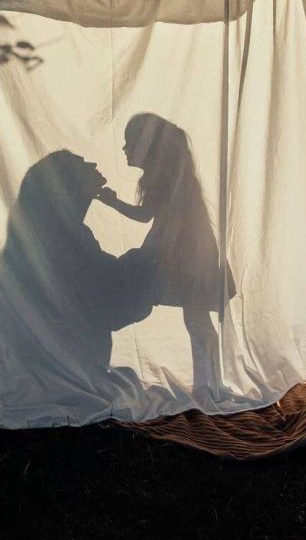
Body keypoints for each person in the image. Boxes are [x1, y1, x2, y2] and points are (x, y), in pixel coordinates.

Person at [96, 113, 236, 406]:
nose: (124, 149)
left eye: (129, 142)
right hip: (184, 252)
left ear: (147, 146)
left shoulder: (165, 178)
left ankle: (209, 385)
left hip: (185, 254)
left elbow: (147, 216)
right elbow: (150, 215)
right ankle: (209, 383)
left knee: (197, 320)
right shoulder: (168, 176)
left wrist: (112, 202)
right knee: (197, 319)